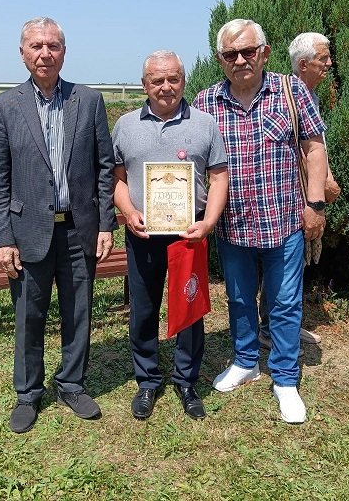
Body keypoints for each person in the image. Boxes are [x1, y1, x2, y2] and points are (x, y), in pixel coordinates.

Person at [0, 17, 117, 433]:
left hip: (79, 230)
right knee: (29, 314)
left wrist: (106, 224)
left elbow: (104, 167)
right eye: (36, 46)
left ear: (64, 51)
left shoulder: (88, 100)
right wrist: (3, 237)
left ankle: (72, 384)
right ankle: (28, 393)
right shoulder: (5, 107)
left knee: (79, 311)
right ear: (22, 53)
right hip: (28, 231)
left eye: (53, 46)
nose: (45, 53)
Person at [193, 19, 327, 423]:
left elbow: (314, 148)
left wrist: (315, 204)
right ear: (220, 59)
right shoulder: (206, 101)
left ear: (264, 53)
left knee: (284, 304)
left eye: (248, 51)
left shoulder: (291, 90)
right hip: (233, 225)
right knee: (238, 300)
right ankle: (245, 361)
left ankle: (285, 379)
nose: (240, 60)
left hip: (283, 221)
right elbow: (190, 156)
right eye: (230, 54)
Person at [112, 50, 228, 420]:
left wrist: (208, 223)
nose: (166, 87)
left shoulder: (205, 124)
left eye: (173, 79)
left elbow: (219, 177)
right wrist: (127, 211)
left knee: (189, 308)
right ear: (144, 85)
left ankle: (186, 381)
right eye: (157, 80)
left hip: (189, 232)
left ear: (183, 80)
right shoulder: (125, 125)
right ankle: (147, 380)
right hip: (143, 232)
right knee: (144, 308)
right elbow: (116, 179)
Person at [258, 32, 340, 351]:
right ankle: (271, 328)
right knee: (284, 265)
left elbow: (316, 146)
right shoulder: (287, 95)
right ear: (303, 64)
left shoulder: (309, 95)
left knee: (295, 265)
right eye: (323, 58)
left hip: (308, 195)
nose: (329, 64)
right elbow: (299, 150)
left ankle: (286, 324)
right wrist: (324, 184)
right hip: (291, 198)